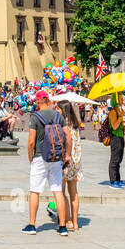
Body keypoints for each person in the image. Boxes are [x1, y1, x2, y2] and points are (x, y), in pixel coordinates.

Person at [23, 89, 70, 235]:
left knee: (35, 191)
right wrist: (67, 154)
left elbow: (31, 141)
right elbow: (68, 136)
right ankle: (62, 226)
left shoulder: (35, 117)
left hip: (40, 157)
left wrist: (30, 156)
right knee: (58, 191)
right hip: (56, 158)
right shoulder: (58, 115)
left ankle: (32, 225)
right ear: (48, 101)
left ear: (38, 102)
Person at [59, 100, 83, 230]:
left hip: (65, 161)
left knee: (61, 192)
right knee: (73, 192)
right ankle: (75, 222)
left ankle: (67, 220)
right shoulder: (75, 124)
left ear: (63, 110)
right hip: (76, 161)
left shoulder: (63, 125)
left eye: (58, 109)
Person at [105, 96, 125, 188]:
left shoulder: (118, 110)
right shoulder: (113, 112)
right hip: (115, 138)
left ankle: (118, 179)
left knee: (119, 159)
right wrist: (121, 117)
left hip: (120, 137)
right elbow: (114, 126)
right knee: (114, 159)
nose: (123, 100)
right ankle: (113, 181)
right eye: (121, 98)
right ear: (116, 100)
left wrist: (124, 127)